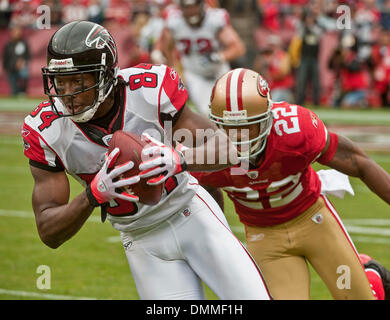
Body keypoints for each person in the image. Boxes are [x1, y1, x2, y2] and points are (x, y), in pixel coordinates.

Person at [21, 21, 271, 300]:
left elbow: (228, 147)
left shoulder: (148, 90)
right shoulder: (45, 130)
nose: (67, 94)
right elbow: (48, 231)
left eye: (77, 81)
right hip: (141, 243)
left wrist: (179, 158)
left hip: (190, 216)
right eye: (60, 81)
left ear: (104, 75)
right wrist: (91, 196)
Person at [191, 67, 390, 300]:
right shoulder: (204, 156)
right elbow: (206, 199)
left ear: (267, 118)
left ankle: (370, 276)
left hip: (313, 221)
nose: (240, 137)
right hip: (264, 238)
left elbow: (359, 163)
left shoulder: (295, 130)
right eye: (232, 128)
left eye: (248, 126)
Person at [151, 0, 246, 115]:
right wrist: (166, 60)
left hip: (219, 71)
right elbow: (163, 44)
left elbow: (238, 48)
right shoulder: (174, 22)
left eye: (194, 7)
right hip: (194, 74)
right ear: (181, 8)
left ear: (201, 5)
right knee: (207, 111)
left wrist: (219, 56)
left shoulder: (214, 20)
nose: (191, 11)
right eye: (187, 7)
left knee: (232, 107)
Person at [2, 24, 30, 96]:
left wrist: (23, 62)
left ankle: (23, 91)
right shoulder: (8, 45)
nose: (18, 33)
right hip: (11, 68)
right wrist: (5, 68)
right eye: (16, 31)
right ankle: (15, 92)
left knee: (24, 74)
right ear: (12, 32)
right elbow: (5, 58)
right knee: (14, 90)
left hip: (21, 67)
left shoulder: (23, 43)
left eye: (19, 31)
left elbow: (27, 55)